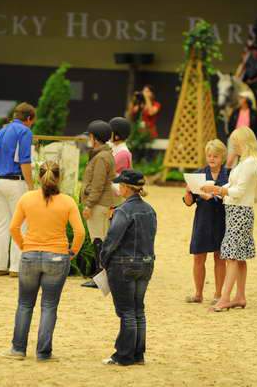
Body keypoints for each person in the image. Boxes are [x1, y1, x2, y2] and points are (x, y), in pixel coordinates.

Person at [3, 161, 85, 361]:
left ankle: (18, 349)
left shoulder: (27, 198)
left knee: (24, 304)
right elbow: (80, 232)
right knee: (49, 305)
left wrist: (24, 246)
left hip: (31, 254)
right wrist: (72, 251)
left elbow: (13, 228)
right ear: (59, 177)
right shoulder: (67, 202)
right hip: (57, 256)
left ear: (40, 177)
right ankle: (43, 352)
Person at [100, 169, 157, 366]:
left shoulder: (123, 210)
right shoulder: (150, 210)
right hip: (146, 263)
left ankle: (124, 355)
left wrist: (103, 261)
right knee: (138, 310)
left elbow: (112, 240)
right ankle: (138, 354)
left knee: (126, 312)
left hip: (124, 264)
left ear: (126, 188)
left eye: (120, 185)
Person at [201, 127, 257, 312]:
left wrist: (218, 190)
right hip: (236, 211)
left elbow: (238, 191)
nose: (233, 144)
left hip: (240, 212)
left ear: (243, 141)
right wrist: (215, 188)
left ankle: (225, 298)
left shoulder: (250, 162)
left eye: (235, 141)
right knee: (239, 257)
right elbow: (232, 185)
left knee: (232, 256)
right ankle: (239, 296)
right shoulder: (245, 161)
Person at [0, 102, 35, 277]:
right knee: (21, 224)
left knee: (3, 224)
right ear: (29, 118)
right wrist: (31, 186)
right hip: (15, 181)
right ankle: (15, 268)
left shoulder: (1, 131)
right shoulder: (25, 131)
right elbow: (24, 160)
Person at [183, 140, 229, 305]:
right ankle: (198, 294)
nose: (212, 159)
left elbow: (234, 196)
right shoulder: (198, 175)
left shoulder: (229, 175)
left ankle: (218, 294)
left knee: (220, 257)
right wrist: (188, 191)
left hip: (222, 221)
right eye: (209, 155)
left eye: (215, 156)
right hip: (203, 220)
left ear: (222, 157)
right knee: (198, 257)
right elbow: (188, 202)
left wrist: (215, 193)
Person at [80, 120, 116, 288]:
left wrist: (89, 205)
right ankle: (99, 275)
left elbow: (98, 184)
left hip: (98, 204)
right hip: (99, 203)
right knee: (98, 239)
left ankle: (101, 278)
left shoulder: (101, 157)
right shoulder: (102, 154)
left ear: (94, 137)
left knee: (99, 239)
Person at [226, 93, 257, 168]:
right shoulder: (235, 112)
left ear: (247, 100)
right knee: (230, 161)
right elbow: (230, 124)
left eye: (242, 98)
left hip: (247, 139)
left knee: (246, 160)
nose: (239, 100)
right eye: (239, 98)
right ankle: (228, 177)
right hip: (235, 137)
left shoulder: (254, 113)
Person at [109, 117, 133, 200]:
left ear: (117, 136)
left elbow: (106, 169)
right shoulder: (114, 147)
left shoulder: (123, 153)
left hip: (117, 191)